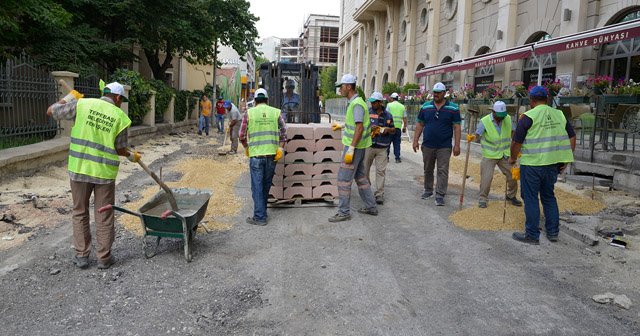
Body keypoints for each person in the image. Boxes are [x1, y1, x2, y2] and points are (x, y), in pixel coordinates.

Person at [46, 82, 139, 270]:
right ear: (118, 98)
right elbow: (118, 148)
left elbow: (52, 111)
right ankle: (104, 257)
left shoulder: (82, 104)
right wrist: (131, 155)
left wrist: (70, 97)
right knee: (103, 214)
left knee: (79, 211)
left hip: (79, 169)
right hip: (104, 174)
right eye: (122, 101)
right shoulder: (120, 117)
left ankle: (82, 256)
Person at [510, 86, 576, 244]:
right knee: (548, 197)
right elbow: (572, 136)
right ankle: (553, 232)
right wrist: (566, 158)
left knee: (531, 197)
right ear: (546, 99)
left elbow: (516, 142)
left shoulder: (527, 116)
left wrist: (512, 158)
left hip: (532, 164)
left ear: (531, 101)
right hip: (553, 164)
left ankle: (532, 235)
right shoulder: (559, 114)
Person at [329, 74, 377, 222]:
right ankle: (371, 207)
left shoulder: (356, 104)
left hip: (354, 148)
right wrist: (342, 125)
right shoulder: (356, 102)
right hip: (359, 147)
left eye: (341, 87)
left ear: (349, 87)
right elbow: (357, 122)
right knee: (361, 178)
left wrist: (351, 148)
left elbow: (359, 127)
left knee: (343, 179)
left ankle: (344, 212)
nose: (340, 90)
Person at [240, 88, 286, 226]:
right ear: (267, 100)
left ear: (254, 100)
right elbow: (284, 133)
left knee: (257, 186)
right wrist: (281, 148)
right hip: (272, 155)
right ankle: (262, 212)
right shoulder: (276, 112)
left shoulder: (249, 113)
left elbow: (241, 135)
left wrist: (246, 147)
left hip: (256, 155)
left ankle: (259, 217)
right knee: (265, 185)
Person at [412, 82, 461, 206]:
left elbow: (457, 127)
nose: (436, 95)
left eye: (439, 93)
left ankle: (440, 194)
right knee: (428, 169)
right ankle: (428, 190)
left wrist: (457, 145)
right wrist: (415, 140)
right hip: (428, 144)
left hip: (444, 146)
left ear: (444, 94)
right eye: (434, 92)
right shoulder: (425, 107)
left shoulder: (453, 108)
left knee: (442, 170)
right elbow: (420, 124)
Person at [475, 101, 522, 208]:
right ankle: (483, 198)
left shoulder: (508, 118)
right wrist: (472, 138)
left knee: (513, 176)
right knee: (486, 178)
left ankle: (511, 196)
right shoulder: (485, 121)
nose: (501, 118)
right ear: (493, 112)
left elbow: (514, 133)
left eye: (503, 116)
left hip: (504, 154)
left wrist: (516, 149)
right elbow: (477, 135)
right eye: (499, 116)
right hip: (490, 155)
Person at [363, 92, 395, 205]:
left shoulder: (388, 116)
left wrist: (387, 129)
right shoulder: (367, 112)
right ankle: (366, 191)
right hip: (369, 146)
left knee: (380, 171)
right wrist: (369, 128)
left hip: (382, 147)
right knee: (365, 170)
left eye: (374, 102)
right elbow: (361, 127)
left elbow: (393, 129)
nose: (372, 104)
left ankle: (379, 194)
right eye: (371, 102)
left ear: (380, 102)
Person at [386, 92, 408, 163]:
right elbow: (405, 118)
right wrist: (404, 127)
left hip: (390, 128)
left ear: (392, 98)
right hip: (398, 128)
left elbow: (386, 116)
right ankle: (397, 158)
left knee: (387, 143)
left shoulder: (389, 105)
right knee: (397, 143)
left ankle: (386, 157)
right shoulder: (402, 106)